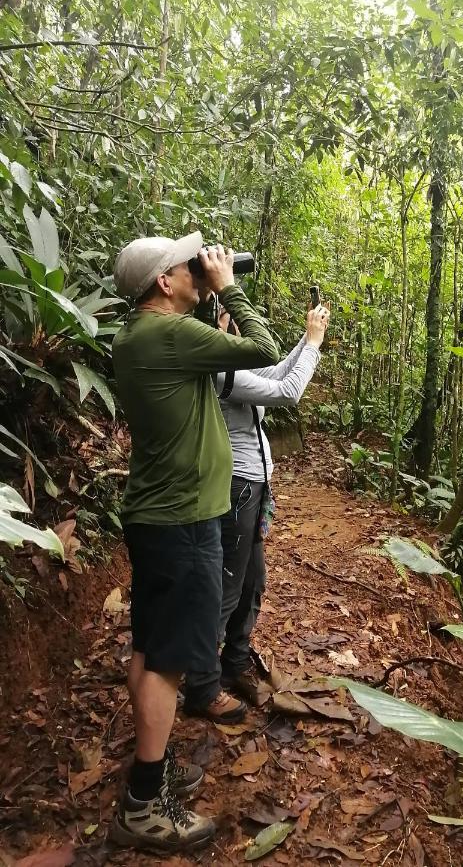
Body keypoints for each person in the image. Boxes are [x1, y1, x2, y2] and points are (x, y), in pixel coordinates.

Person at [109, 235, 279, 853]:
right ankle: (143, 804)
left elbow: (208, 361)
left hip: (160, 517)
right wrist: (229, 286)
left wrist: (206, 298)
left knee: (152, 646)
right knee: (170, 660)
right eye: (191, 266)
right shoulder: (171, 337)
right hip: (183, 522)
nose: (202, 269)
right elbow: (261, 350)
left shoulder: (142, 336)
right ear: (163, 282)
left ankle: (146, 770)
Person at [183, 302, 330, 717]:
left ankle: (235, 663)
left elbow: (281, 371)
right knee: (227, 588)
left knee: (252, 581)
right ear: (215, 323)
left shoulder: (232, 367)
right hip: (236, 487)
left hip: (252, 486)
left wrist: (309, 333)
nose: (236, 323)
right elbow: (289, 391)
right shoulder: (219, 371)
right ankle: (202, 683)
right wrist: (315, 344)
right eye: (229, 315)